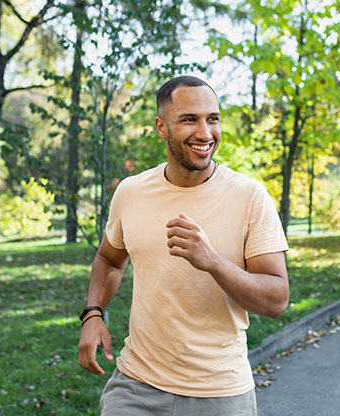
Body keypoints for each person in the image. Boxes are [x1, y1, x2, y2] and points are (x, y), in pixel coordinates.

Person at [77, 75, 289, 415]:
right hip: (135, 385)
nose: (205, 133)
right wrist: (93, 314)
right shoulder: (131, 192)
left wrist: (213, 261)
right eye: (189, 119)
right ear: (162, 127)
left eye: (212, 119)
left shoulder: (250, 197)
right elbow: (109, 258)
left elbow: (277, 299)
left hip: (220, 393)